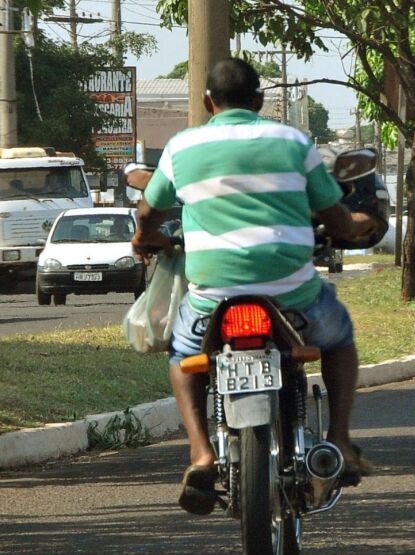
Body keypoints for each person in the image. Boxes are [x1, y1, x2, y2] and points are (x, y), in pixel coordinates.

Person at [131, 58, 374, 515]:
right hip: (293, 296)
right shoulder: (293, 142)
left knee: (185, 358)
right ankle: (339, 439)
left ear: (207, 102)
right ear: (260, 101)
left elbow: (149, 211)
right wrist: (360, 224)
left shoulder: (182, 147)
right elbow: (337, 219)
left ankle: (201, 454)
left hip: (212, 297)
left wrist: (145, 238)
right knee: (339, 340)